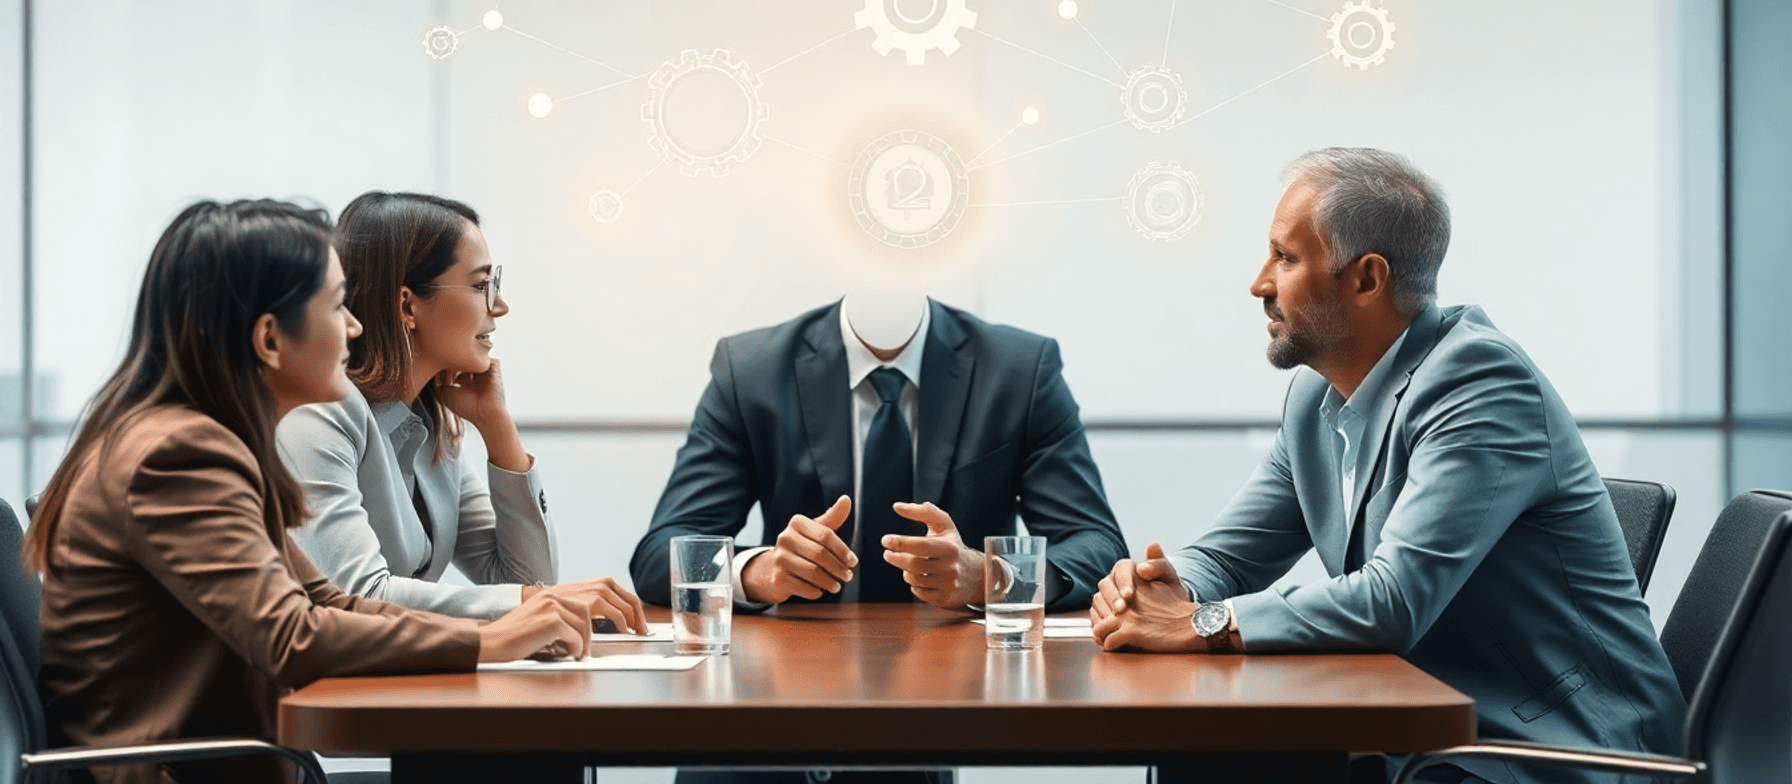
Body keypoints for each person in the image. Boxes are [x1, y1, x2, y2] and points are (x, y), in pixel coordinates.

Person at [1089, 149, 1686, 784]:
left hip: (1553, 749)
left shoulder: (1480, 384)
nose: (1259, 283)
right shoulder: (1316, 400)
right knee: (1208, 754)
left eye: (1286, 258)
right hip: (1423, 729)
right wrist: (1158, 585)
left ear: (1367, 280)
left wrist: (1204, 622)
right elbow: (1232, 557)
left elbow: (1392, 599)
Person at [28, 200, 593, 784]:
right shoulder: (179, 455)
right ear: (270, 340)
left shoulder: (210, 442)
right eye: (335, 306)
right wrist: (488, 642)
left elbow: (331, 603)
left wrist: (493, 634)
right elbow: (293, 636)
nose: (354, 325)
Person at [634, 291, 1128, 784]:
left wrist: (992, 577)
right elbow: (662, 551)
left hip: (927, 720)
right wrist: (759, 571)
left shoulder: (1019, 370)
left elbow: (1097, 545)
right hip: (769, 724)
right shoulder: (751, 369)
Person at [277, 191, 645, 631]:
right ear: (408, 304)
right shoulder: (319, 417)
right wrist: (530, 600)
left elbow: (530, 581)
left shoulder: (435, 427)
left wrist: (496, 427)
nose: (500, 306)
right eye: (479, 285)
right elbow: (358, 596)